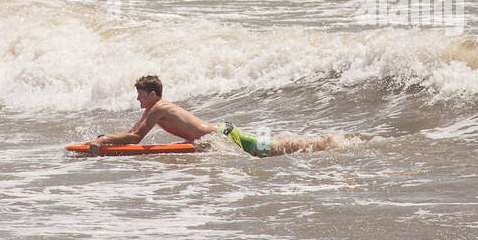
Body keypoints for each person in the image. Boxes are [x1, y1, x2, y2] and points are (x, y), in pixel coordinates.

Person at [89, 77, 340, 156]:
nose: (138, 99)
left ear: (153, 94)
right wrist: (108, 139)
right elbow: (133, 133)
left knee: (270, 151)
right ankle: (316, 144)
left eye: (141, 95)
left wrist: (102, 142)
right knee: (268, 149)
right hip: (221, 131)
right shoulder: (153, 109)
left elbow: (135, 138)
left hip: (221, 134)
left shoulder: (158, 109)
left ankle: (322, 145)